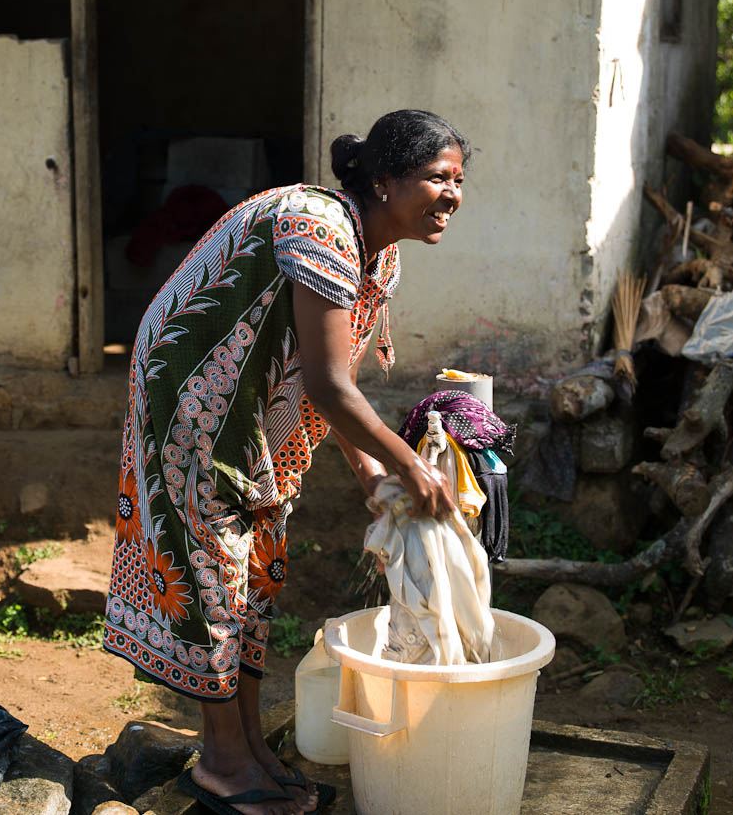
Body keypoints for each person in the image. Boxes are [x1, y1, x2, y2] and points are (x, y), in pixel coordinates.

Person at [103, 109, 471, 815]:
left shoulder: (378, 251)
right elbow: (330, 388)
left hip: (255, 402)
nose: (452, 194)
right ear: (387, 181)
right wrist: (407, 468)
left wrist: (371, 475)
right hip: (194, 394)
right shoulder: (321, 228)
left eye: (459, 180)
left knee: (258, 567)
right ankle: (220, 760)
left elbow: (334, 378)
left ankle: (246, 742)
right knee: (213, 569)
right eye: (436, 177)